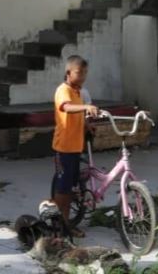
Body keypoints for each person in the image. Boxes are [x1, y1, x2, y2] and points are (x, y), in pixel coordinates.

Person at [52, 54, 99, 237]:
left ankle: (66, 224)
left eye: (85, 73)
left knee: (70, 189)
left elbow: (76, 115)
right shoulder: (63, 90)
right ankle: (58, 225)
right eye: (79, 73)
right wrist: (86, 108)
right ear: (68, 73)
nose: (83, 77)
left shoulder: (79, 92)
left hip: (76, 146)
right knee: (62, 191)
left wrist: (87, 124)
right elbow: (66, 108)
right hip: (63, 147)